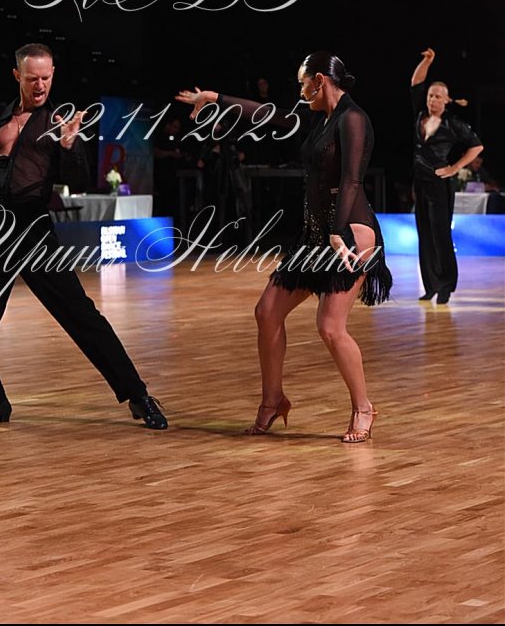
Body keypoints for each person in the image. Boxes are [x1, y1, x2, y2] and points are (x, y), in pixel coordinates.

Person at [0, 43, 167, 429]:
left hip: (32, 229)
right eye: (32, 78)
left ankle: (138, 396)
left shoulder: (57, 122)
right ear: (17, 75)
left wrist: (69, 146)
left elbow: (78, 180)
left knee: (81, 316)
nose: (40, 85)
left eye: (46, 78)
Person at [176, 51, 393, 444]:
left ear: (320, 81)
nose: (300, 90)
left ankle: (364, 407)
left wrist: (337, 232)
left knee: (330, 327)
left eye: (303, 83)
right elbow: (268, 114)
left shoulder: (353, 118)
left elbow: (352, 181)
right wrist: (215, 98)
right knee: (267, 312)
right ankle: (273, 400)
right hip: (315, 235)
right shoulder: (319, 118)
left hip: (350, 234)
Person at [410, 48, 483, 304]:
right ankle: (430, 285)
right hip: (420, 182)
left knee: (441, 234)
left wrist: (453, 168)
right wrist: (427, 61)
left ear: (446, 100)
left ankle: (445, 286)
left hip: (440, 185)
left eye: (437, 96)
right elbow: (416, 82)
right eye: (430, 95)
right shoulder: (420, 115)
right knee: (424, 234)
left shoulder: (453, 123)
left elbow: (477, 146)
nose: (432, 99)